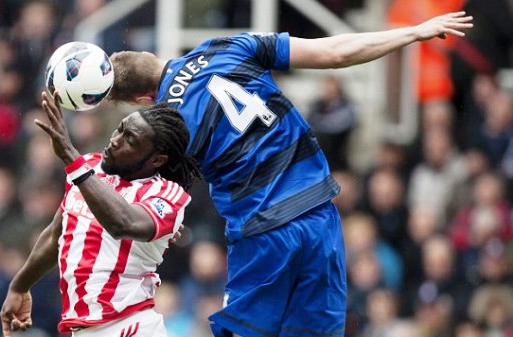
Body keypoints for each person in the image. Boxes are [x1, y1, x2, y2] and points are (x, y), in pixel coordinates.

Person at [107, 11, 473, 337]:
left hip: (262, 230)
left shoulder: (166, 123)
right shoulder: (226, 46)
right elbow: (335, 53)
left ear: (142, 100)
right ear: (154, 57)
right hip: (317, 212)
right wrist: (413, 32)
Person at [0, 92, 201, 337]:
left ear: (157, 159)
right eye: (119, 130)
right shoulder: (89, 170)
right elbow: (57, 235)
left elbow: (122, 223)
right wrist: (20, 286)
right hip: (83, 329)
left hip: (131, 326)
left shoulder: (166, 195)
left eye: (130, 140)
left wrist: (72, 160)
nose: (115, 140)